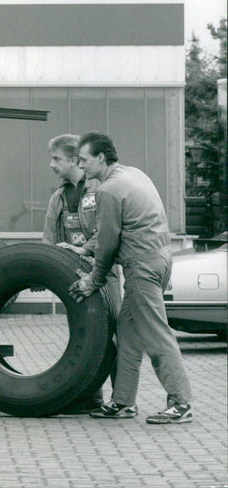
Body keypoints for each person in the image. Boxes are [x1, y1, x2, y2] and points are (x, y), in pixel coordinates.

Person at [69, 133, 193, 424]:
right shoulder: (134, 174)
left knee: (156, 334)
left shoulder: (109, 190)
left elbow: (108, 242)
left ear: (101, 157)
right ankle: (123, 402)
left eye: (84, 160)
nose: (81, 166)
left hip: (142, 268)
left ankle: (181, 402)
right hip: (161, 260)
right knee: (127, 333)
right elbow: (112, 233)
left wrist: (94, 280)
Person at [41, 134, 121, 413]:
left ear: (75, 160)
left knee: (110, 336)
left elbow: (108, 233)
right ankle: (91, 397)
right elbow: (49, 237)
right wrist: (41, 270)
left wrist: (84, 250)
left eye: (56, 159)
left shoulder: (100, 190)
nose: (51, 164)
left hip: (103, 274)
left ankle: (119, 398)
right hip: (73, 277)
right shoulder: (59, 196)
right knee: (84, 337)